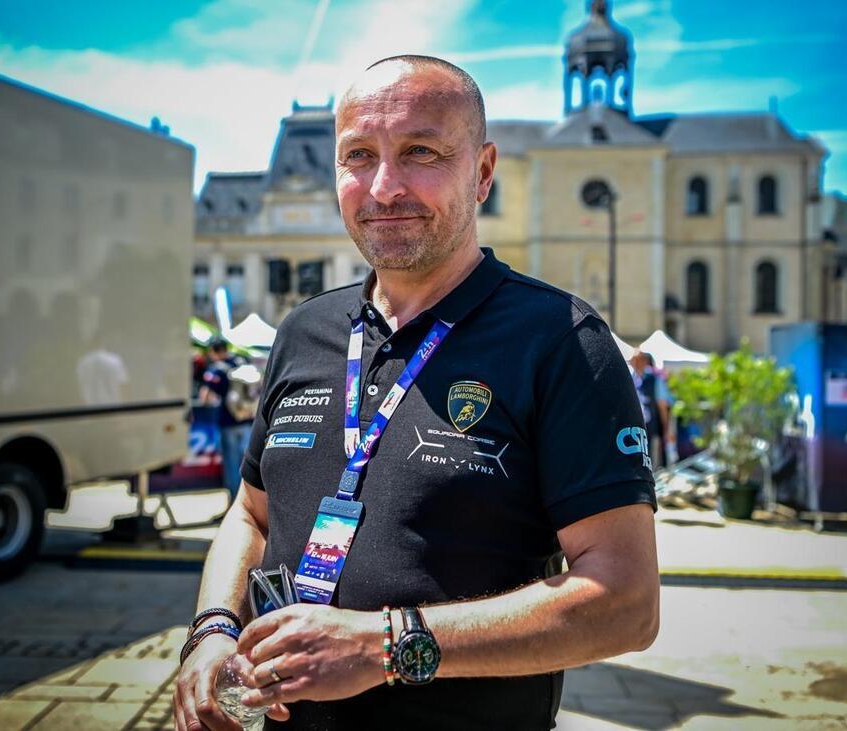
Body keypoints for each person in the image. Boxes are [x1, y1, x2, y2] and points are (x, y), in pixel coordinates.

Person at [175, 56, 659, 731]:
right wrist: (213, 629)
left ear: (483, 171)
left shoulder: (561, 339)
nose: (383, 186)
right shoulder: (305, 329)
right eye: (358, 156)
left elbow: (626, 603)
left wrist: (384, 645)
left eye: (420, 152)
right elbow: (250, 516)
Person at [199, 336, 253, 501]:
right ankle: (249, 502)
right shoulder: (241, 363)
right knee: (247, 465)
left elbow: (205, 398)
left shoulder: (216, 369)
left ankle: (235, 503)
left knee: (231, 465)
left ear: (213, 351)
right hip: (247, 422)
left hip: (228, 423)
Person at [628, 350, 673, 469]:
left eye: (638, 360)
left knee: (653, 459)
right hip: (637, 427)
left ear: (645, 361)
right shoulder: (632, 378)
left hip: (653, 426)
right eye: (633, 361)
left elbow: (662, 404)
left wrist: (666, 428)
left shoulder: (654, 379)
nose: (635, 363)